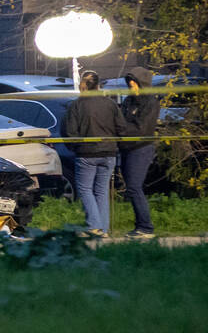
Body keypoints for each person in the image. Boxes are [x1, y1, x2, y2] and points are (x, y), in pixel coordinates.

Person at [63, 70, 127, 236]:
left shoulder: (77, 104)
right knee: (102, 191)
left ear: (82, 85)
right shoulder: (110, 104)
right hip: (109, 152)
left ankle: (94, 226)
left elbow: (70, 131)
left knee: (85, 190)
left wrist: (75, 148)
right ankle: (103, 229)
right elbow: (122, 128)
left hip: (87, 153)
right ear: (99, 85)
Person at [119, 66, 160, 239]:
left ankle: (146, 226)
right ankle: (140, 226)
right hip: (127, 148)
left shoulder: (150, 103)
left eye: (134, 84)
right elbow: (120, 121)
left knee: (135, 187)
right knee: (131, 188)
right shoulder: (128, 102)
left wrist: (123, 130)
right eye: (130, 84)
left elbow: (141, 128)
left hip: (141, 148)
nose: (131, 87)